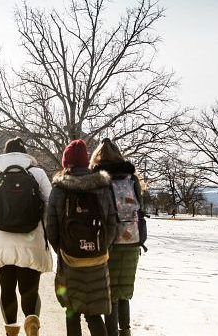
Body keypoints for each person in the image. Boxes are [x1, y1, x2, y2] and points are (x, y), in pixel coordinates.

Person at [0, 137, 53, 336]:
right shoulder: (37, 172)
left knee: (7, 290)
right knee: (30, 290)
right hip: (32, 238)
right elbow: (50, 204)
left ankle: (11, 331)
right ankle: (32, 322)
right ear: (24, 152)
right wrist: (43, 229)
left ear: (5, 152)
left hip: (1, 240)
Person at [46, 140, 117, 336]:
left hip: (70, 259)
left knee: (72, 311)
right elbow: (112, 223)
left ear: (66, 163)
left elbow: (51, 226)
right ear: (86, 162)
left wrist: (62, 249)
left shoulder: (59, 189)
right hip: (97, 257)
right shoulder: (103, 186)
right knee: (94, 313)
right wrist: (102, 247)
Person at [90, 138, 144, 336]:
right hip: (132, 239)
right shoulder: (131, 178)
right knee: (125, 291)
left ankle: (111, 332)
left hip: (108, 240)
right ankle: (125, 331)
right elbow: (141, 207)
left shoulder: (97, 178)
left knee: (109, 291)